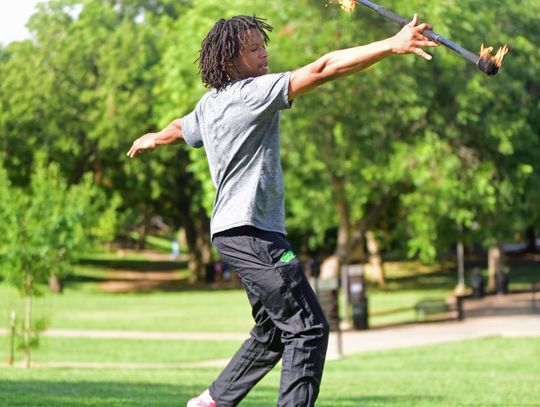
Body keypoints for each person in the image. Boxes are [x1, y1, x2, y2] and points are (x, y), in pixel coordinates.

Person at [127, 13, 437, 407]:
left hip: (231, 232)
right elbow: (323, 68)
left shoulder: (210, 104)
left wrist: (155, 137)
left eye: (263, 45)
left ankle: (212, 401)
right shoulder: (252, 93)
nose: (263, 55)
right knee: (307, 329)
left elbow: (180, 128)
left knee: (273, 330)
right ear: (228, 61)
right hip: (254, 232)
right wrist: (390, 45)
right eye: (253, 49)